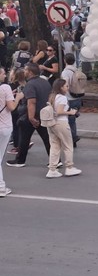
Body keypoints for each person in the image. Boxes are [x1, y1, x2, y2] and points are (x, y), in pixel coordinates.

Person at [6, 63, 52, 168]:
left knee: (24, 138)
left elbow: (31, 102)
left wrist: (31, 117)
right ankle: (55, 160)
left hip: (32, 115)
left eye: (26, 70)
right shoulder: (45, 82)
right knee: (47, 138)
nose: (24, 72)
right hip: (44, 114)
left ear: (30, 72)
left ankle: (20, 160)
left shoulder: (30, 84)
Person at [44, 78, 81, 178]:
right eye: (66, 86)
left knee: (54, 146)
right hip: (61, 123)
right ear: (61, 87)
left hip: (51, 122)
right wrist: (71, 112)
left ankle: (52, 169)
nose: (68, 88)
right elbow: (60, 111)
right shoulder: (62, 98)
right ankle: (69, 167)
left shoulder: (52, 97)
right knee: (68, 145)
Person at [0, 66, 25, 196]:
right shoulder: (5, 88)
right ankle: (1, 187)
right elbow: (11, 107)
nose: (5, 76)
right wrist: (18, 98)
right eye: (3, 73)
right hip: (4, 126)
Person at [60, 53, 84, 147]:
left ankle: (71, 138)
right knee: (72, 120)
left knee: (68, 120)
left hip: (69, 98)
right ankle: (73, 138)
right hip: (77, 97)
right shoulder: (77, 70)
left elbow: (65, 85)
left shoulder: (66, 72)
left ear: (65, 60)